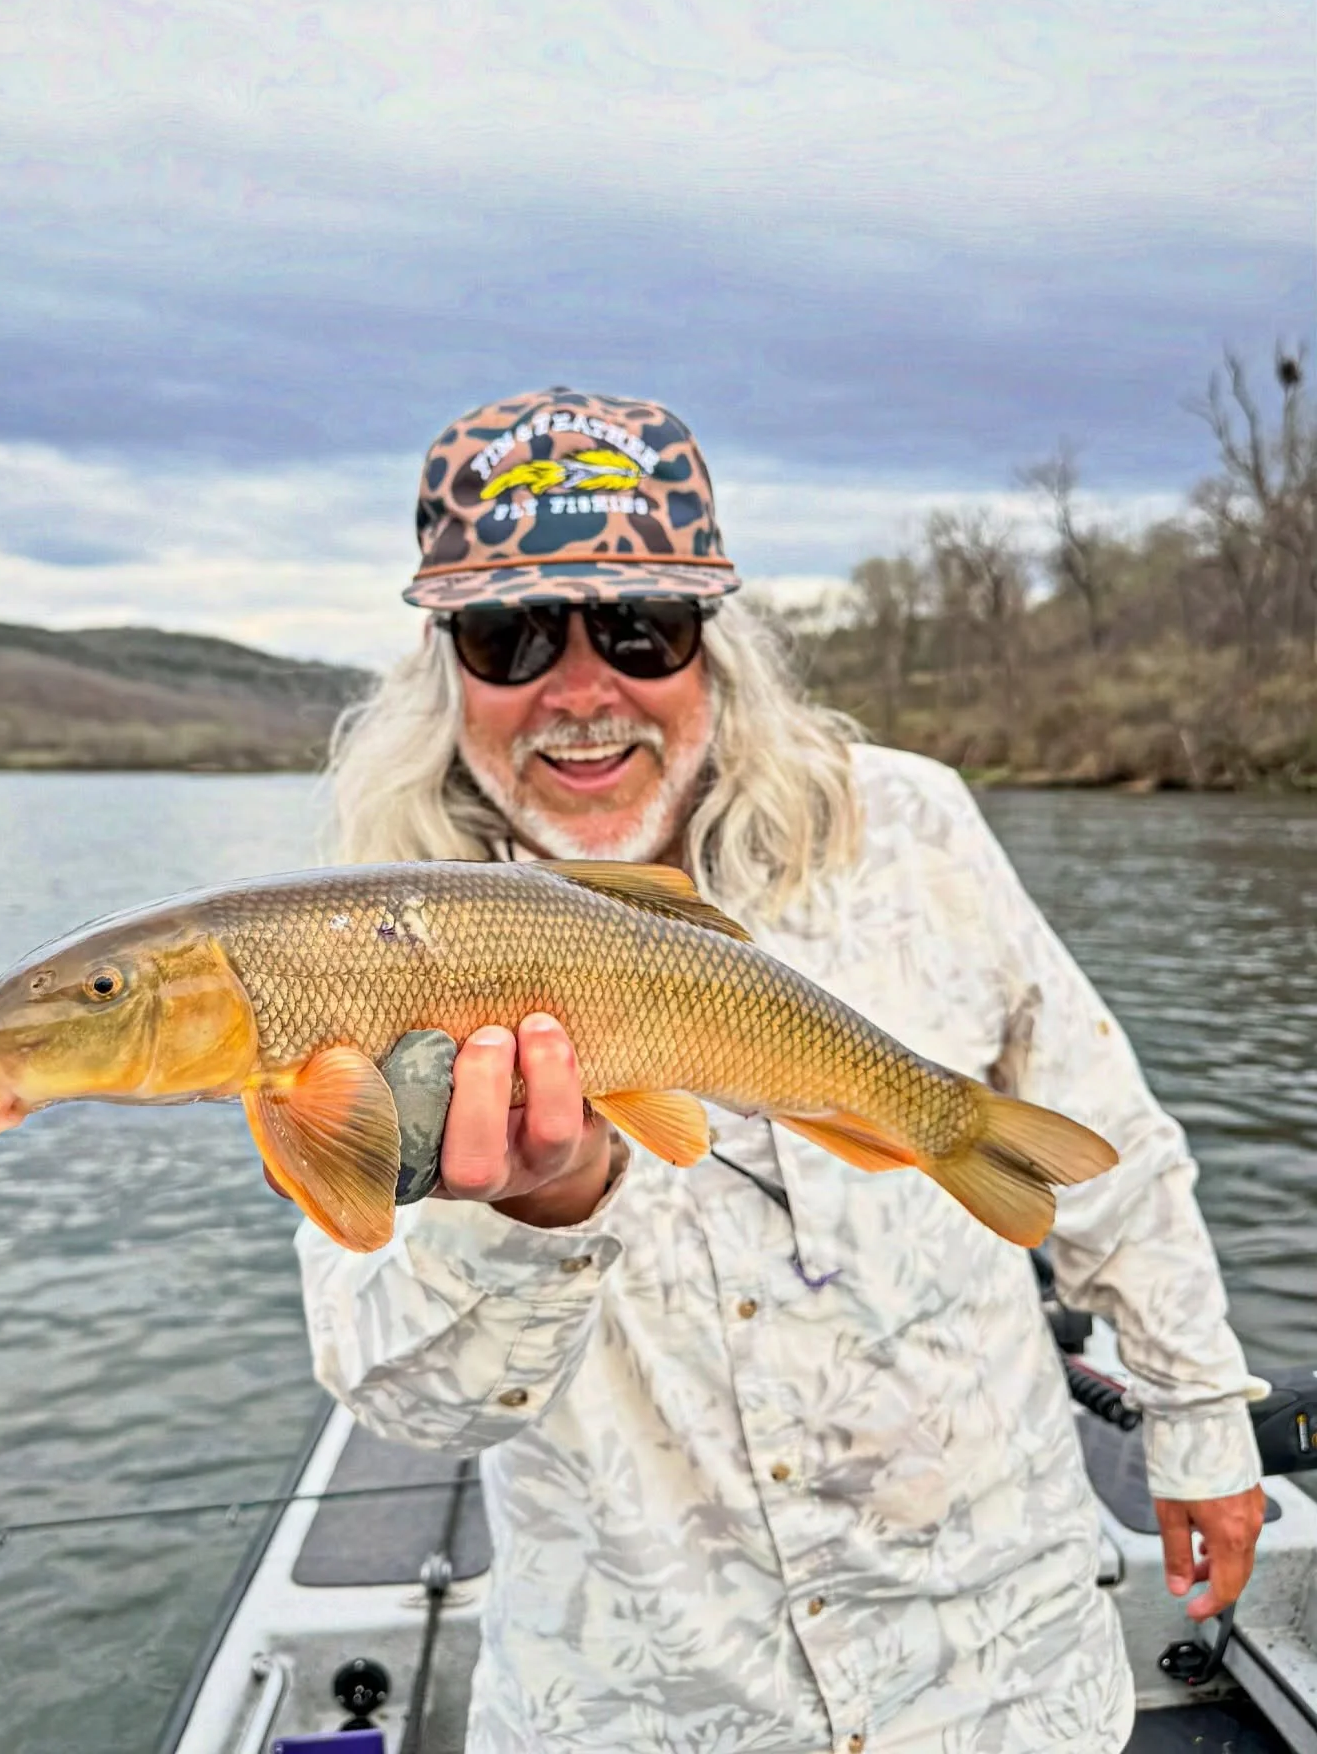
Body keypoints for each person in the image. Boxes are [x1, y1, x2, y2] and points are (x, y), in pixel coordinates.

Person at [293, 388, 1266, 1753]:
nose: (581, 691)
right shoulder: (360, 953)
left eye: (640, 627)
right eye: (509, 636)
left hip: (1002, 1684)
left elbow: (1119, 1160)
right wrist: (531, 1221)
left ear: (717, 645)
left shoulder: (917, 822)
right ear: (443, 664)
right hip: (649, 1715)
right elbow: (407, 1402)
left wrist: (1203, 1426)